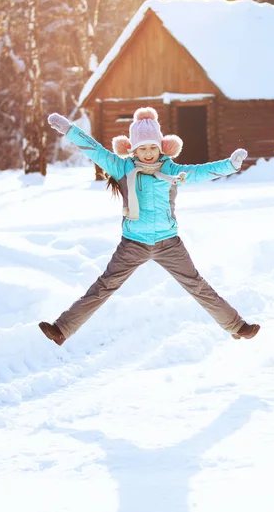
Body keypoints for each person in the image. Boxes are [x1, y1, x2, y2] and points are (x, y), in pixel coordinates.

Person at [39, 107, 260, 346]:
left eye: (152, 147)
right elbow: (95, 150)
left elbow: (201, 172)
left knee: (197, 286)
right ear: (133, 149)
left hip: (169, 243)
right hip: (133, 243)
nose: (147, 153)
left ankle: (237, 326)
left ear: (161, 146)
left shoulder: (172, 171)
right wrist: (69, 130)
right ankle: (61, 329)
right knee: (104, 286)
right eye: (142, 148)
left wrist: (230, 165)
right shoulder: (122, 168)